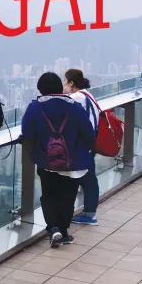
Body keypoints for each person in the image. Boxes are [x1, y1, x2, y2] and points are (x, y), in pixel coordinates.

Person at [21, 72, 95, 246]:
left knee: (49, 195)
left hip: (47, 161)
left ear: (40, 89)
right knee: (67, 196)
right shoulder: (75, 107)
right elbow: (88, 134)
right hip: (73, 161)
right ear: (60, 87)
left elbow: (27, 133)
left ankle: (53, 228)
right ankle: (64, 231)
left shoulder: (35, 108)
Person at [64, 68, 101, 226]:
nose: (64, 84)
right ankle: (89, 211)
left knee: (87, 178)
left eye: (65, 81)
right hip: (91, 140)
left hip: (82, 143)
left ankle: (89, 214)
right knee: (89, 177)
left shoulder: (77, 97)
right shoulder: (87, 94)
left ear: (71, 82)